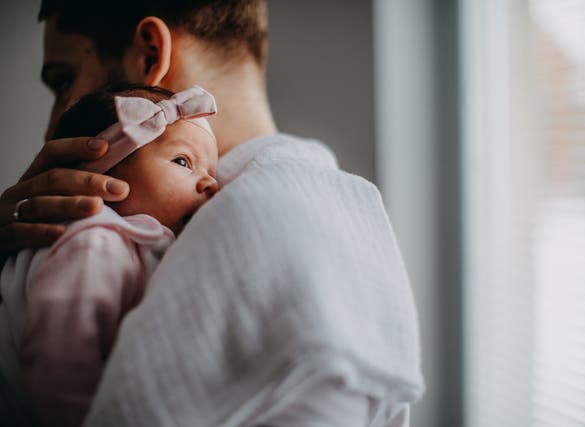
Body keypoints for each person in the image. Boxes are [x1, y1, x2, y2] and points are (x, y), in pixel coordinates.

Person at [0, 1, 425, 426]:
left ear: (150, 54)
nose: (53, 124)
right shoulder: (338, 216)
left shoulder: (255, 223)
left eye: (63, 81)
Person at [1, 84, 219, 427]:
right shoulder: (95, 241)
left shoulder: (131, 239)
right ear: (105, 177)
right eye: (183, 161)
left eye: (211, 172)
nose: (211, 184)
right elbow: (59, 357)